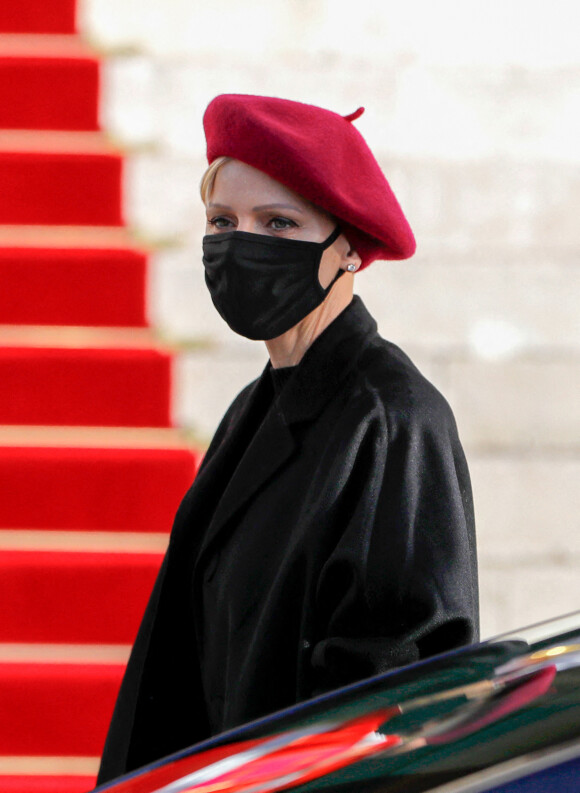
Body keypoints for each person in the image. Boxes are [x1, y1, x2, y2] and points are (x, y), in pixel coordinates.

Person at [96, 94, 479, 785]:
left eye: (279, 222)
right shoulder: (254, 406)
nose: (241, 243)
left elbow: (395, 698)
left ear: (348, 249)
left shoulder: (394, 421)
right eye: (222, 221)